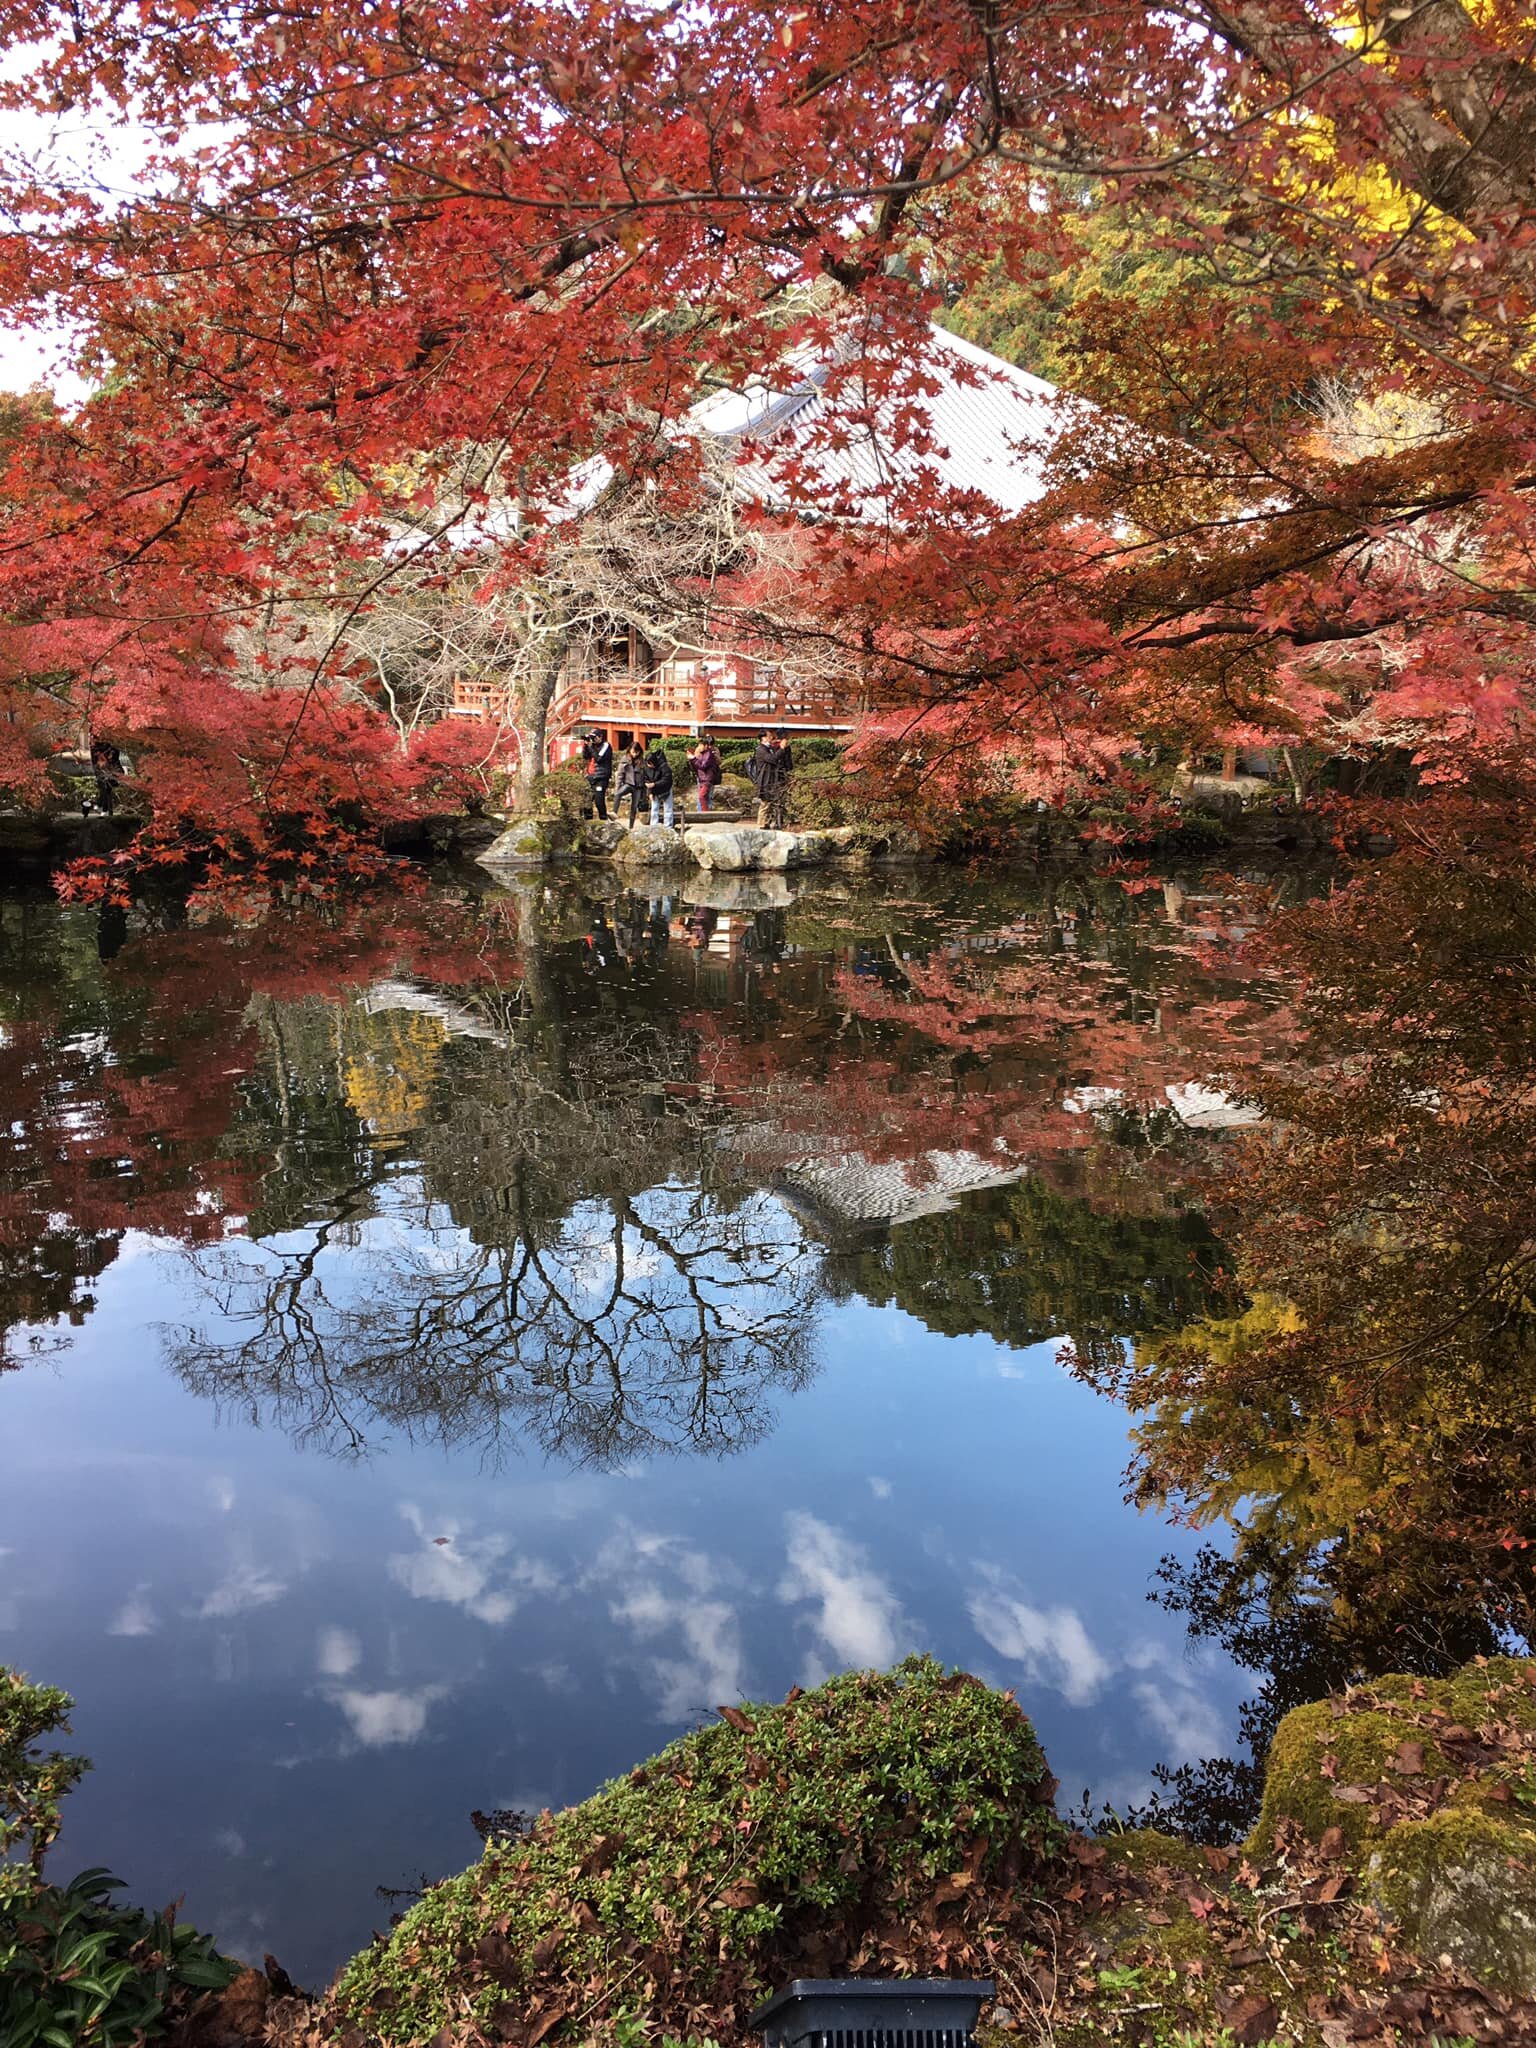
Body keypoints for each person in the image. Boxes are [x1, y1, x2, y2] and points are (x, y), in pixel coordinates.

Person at [748, 727, 793, 830]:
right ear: (763, 738)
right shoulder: (761, 750)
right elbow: (772, 759)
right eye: (769, 736)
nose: (771, 738)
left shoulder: (768, 748)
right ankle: (761, 824)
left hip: (771, 779)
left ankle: (768, 822)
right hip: (765, 780)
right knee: (765, 802)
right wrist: (781, 748)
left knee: (772, 802)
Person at [642, 737, 675, 827]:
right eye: (648, 764)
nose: (649, 766)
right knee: (654, 809)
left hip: (665, 788)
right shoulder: (646, 767)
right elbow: (645, 778)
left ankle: (668, 827)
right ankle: (653, 826)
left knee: (668, 809)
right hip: (654, 790)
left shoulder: (664, 767)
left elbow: (667, 780)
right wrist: (649, 792)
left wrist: (655, 784)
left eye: (651, 764)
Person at [582, 730, 613, 820]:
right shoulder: (592, 746)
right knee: (586, 800)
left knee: (599, 800)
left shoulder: (606, 745)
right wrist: (585, 746)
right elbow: (586, 757)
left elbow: (599, 758)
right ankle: (588, 820)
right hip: (590, 776)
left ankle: (603, 820)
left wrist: (591, 747)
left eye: (595, 737)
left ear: (600, 737)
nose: (593, 740)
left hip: (601, 777)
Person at [615, 740, 646, 828]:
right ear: (629, 750)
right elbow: (620, 775)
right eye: (633, 752)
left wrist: (645, 793)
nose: (634, 754)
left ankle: (631, 826)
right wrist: (618, 787)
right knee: (617, 794)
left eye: (636, 752)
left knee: (634, 807)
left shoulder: (642, 761)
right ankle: (614, 814)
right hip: (628, 783)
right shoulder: (625, 759)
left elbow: (645, 776)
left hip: (638, 786)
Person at [688, 734, 722, 812]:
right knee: (701, 796)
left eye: (712, 745)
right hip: (702, 776)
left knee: (708, 796)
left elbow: (719, 762)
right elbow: (698, 763)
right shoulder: (699, 749)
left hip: (710, 776)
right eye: (709, 745)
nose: (710, 747)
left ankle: (706, 811)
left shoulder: (715, 750)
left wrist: (715, 757)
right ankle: (701, 812)